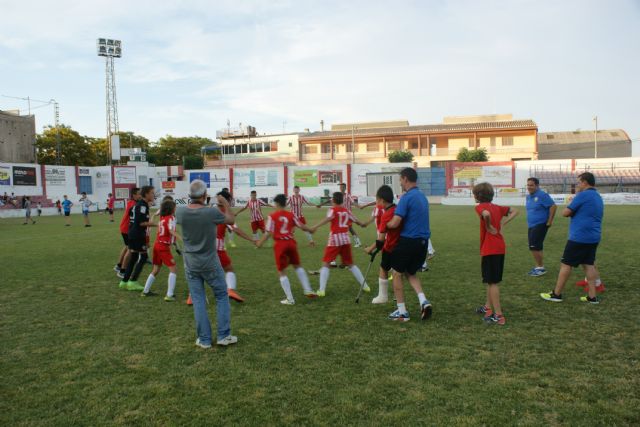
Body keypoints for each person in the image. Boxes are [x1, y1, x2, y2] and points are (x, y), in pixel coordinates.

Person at [176, 179, 237, 348]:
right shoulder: (211, 213)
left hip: (191, 263)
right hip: (210, 261)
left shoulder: (181, 212)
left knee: (198, 299)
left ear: (190, 195)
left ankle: (204, 339)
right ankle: (224, 335)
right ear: (204, 195)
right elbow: (231, 220)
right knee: (221, 295)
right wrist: (225, 203)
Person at [541, 172, 604, 304]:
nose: (577, 185)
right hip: (593, 236)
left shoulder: (583, 195)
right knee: (589, 265)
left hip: (580, 236)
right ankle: (592, 297)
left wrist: (572, 208)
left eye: (579, 182)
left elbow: (565, 212)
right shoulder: (597, 196)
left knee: (566, 264)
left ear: (585, 182)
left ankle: (556, 294)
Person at [384, 168, 432, 322]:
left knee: (396, 273)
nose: (400, 183)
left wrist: (385, 225)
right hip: (423, 243)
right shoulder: (422, 197)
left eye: (400, 180)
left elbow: (396, 221)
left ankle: (402, 312)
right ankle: (424, 301)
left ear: (405, 179)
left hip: (408, 241)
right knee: (410, 273)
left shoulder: (406, 197)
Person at [256, 193, 317, 305]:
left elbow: (268, 232)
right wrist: (311, 230)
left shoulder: (272, 216)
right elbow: (301, 225)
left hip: (280, 244)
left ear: (277, 203)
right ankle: (307, 289)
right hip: (291, 243)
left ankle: (290, 299)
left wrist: (260, 243)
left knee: (281, 271)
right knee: (297, 266)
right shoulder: (291, 214)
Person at [472, 183, 519, 326]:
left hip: (490, 248)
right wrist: (503, 223)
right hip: (499, 247)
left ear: (478, 195)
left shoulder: (480, 206)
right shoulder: (497, 207)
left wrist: (488, 226)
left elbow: (485, 214)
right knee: (491, 280)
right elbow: (515, 211)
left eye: (474, 194)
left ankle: (498, 316)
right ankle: (487, 307)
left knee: (492, 282)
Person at [309, 192, 369, 297]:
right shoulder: (347, 211)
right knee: (351, 264)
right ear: (342, 200)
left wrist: (315, 226)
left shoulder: (332, 210)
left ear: (333, 200)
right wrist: (366, 223)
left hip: (335, 239)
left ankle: (321, 290)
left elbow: (327, 219)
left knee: (326, 264)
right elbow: (360, 223)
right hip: (345, 239)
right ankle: (365, 286)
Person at [213, 190, 256, 303]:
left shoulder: (209, 209)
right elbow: (236, 230)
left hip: (203, 245)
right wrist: (251, 239)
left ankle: (192, 295)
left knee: (201, 271)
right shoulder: (225, 213)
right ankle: (230, 290)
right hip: (217, 247)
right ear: (227, 200)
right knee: (229, 269)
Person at [364, 185, 399, 304]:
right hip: (401, 246)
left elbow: (380, 240)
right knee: (397, 271)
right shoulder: (398, 209)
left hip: (390, 246)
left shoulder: (385, 215)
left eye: (377, 200)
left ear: (383, 201)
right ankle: (397, 295)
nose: (376, 202)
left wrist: (370, 249)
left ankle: (382, 296)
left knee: (383, 269)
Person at [142, 199, 181, 301]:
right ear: (171, 209)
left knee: (156, 269)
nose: (176, 208)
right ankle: (169, 295)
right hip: (163, 247)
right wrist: (183, 238)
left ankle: (145, 291)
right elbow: (171, 230)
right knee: (173, 269)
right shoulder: (171, 218)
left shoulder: (163, 218)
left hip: (157, 245)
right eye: (175, 207)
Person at [120, 186, 156, 291]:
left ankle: (124, 281)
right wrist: (158, 224)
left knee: (134, 257)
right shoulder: (142, 206)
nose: (153, 195)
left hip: (132, 234)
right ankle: (133, 281)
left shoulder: (138, 205)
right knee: (143, 257)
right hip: (138, 235)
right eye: (152, 193)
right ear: (146, 194)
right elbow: (142, 223)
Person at [525, 177, 557, 276]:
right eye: (528, 185)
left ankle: (540, 268)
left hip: (540, 224)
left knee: (533, 247)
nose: (529, 187)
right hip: (532, 225)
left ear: (537, 186)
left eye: (531, 185)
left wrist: (550, 221)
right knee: (537, 247)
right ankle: (539, 267)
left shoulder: (542, 195)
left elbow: (553, 206)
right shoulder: (528, 196)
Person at [318, 183, 362, 247]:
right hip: (339, 215)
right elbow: (329, 200)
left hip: (347, 215)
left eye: (343, 187)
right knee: (341, 228)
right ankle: (342, 241)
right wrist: (321, 205)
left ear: (345, 188)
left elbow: (353, 202)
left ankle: (358, 242)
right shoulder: (338, 196)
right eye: (340, 187)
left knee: (350, 228)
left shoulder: (348, 195)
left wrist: (358, 206)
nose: (341, 188)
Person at [115, 188, 140, 279]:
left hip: (125, 228)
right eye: (138, 194)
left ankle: (118, 266)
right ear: (134, 195)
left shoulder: (131, 202)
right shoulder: (133, 204)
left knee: (127, 247)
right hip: (127, 229)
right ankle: (122, 271)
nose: (140, 195)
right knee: (130, 249)